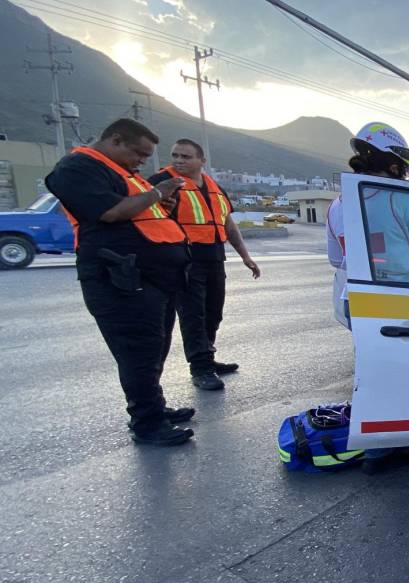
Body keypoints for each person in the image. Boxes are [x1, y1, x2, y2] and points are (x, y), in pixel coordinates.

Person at [44, 118, 195, 446]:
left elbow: (143, 217)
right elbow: (110, 213)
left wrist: (160, 202)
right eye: (139, 154)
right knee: (137, 351)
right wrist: (159, 191)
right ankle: (147, 422)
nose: (143, 161)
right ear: (115, 141)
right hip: (120, 279)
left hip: (154, 278)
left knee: (155, 346)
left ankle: (154, 407)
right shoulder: (77, 167)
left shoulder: (127, 174)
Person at [331, 122, 409, 479]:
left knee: (375, 376)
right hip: (402, 296)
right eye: (402, 164)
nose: (403, 171)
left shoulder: (338, 204)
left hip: (358, 300)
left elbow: (334, 257)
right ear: (391, 164)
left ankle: (378, 453)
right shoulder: (400, 197)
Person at [149, 139, 260, 391]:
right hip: (183, 259)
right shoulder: (162, 183)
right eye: (175, 155)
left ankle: (207, 357)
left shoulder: (214, 187)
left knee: (213, 312)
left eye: (186, 157)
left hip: (213, 256)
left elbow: (227, 224)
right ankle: (200, 368)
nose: (179, 161)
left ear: (201, 161)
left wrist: (245, 255)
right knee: (193, 315)